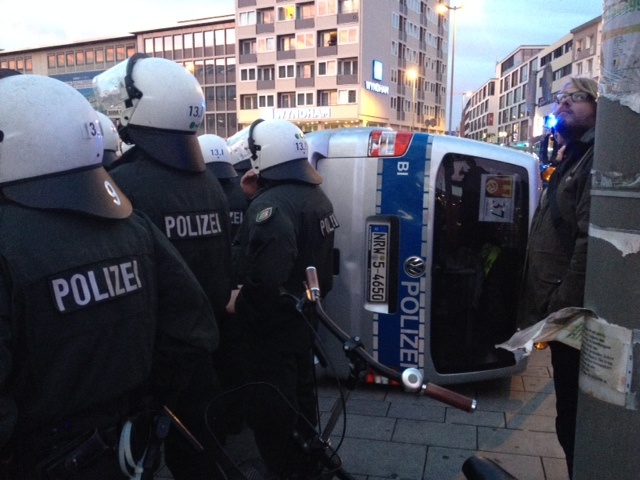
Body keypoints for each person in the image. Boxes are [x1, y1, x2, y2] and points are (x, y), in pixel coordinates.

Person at [0, 74, 218, 479]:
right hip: (129, 447)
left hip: (42, 457)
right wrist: (146, 403)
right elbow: (192, 330)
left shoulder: (8, 243)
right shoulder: (132, 226)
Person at [94, 54, 233, 479]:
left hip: (153, 361)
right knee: (202, 459)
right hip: (205, 349)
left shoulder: (123, 184)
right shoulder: (209, 184)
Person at [227, 119, 338, 478]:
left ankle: (285, 468)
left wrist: (241, 303)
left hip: (271, 328)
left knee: (273, 408)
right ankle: (307, 463)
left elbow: (268, 275)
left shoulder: (272, 206)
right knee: (302, 398)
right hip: (302, 319)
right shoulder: (316, 196)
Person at [518, 76, 598, 478]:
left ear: (600, 107)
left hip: (571, 316)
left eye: (577, 97)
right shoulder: (574, 157)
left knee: (574, 417)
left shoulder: (595, 160)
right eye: (561, 98)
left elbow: (589, 242)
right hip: (561, 312)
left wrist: (559, 306)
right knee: (568, 413)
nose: (564, 103)